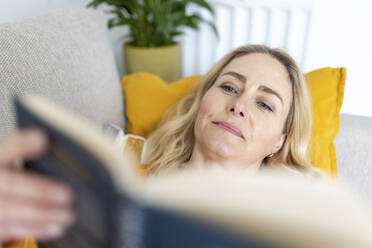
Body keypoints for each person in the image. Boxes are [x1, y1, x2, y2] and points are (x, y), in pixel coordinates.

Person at [0, 44, 323, 246]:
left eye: (265, 104)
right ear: (202, 103)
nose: (239, 105)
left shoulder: (294, 224)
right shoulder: (124, 186)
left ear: (280, 141)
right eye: (228, 87)